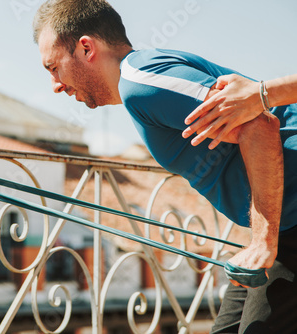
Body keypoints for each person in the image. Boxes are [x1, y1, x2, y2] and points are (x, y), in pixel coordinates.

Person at [33, 0, 297, 332]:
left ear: (86, 48)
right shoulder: (142, 84)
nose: (55, 84)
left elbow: (259, 123)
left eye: (53, 67)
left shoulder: (143, 84)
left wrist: (263, 240)